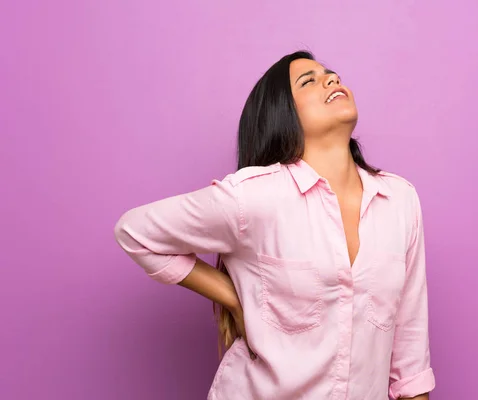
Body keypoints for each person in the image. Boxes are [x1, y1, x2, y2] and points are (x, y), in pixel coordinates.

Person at [114, 50, 435, 400]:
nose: (332, 79)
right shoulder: (255, 197)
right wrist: (231, 298)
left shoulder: (399, 199)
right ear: (283, 115)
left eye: (331, 74)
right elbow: (134, 231)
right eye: (308, 80)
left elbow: (411, 359)